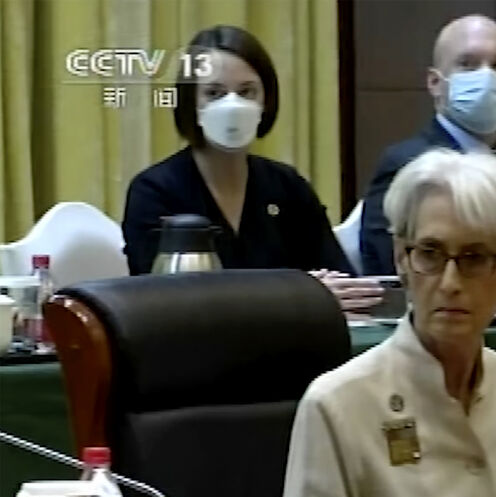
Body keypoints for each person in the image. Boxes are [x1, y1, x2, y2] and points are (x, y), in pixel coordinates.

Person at [280, 148, 496, 497]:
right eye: (430, 254)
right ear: (401, 260)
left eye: (474, 258)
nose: (450, 283)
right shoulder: (337, 404)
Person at [122, 25, 381, 312]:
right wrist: (296, 294)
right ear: (190, 103)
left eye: (247, 92)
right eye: (214, 93)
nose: (233, 106)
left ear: (266, 101)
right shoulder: (155, 191)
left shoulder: (288, 186)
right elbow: (161, 299)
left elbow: (341, 282)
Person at [358, 14, 496, 308]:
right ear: (435, 83)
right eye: (468, 64)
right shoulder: (409, 169)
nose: (486, 78)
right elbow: (396, 279)